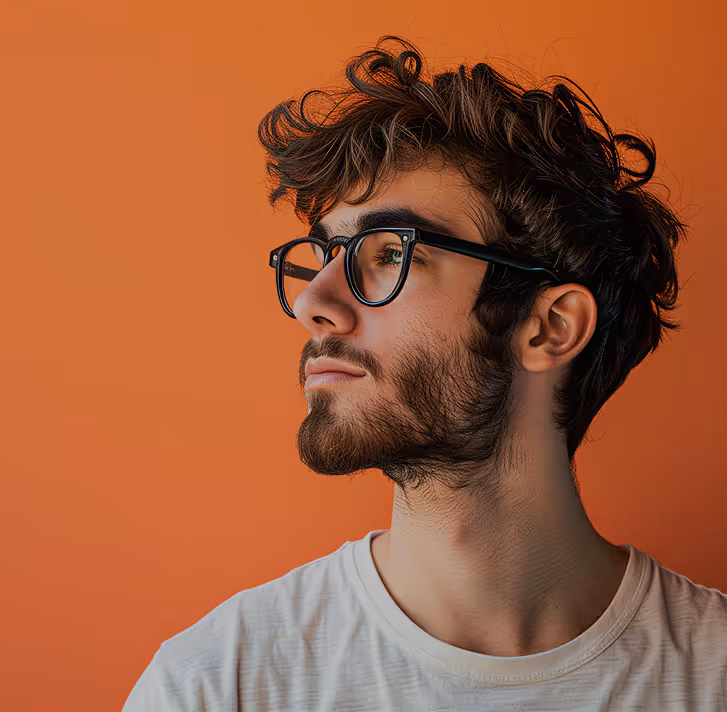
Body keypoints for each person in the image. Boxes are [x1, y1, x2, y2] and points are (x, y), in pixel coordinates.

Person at [122, 36, 727, 711]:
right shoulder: (218, 684)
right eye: (323, 255)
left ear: (549, 327)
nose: (314, 301)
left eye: (389, 253)